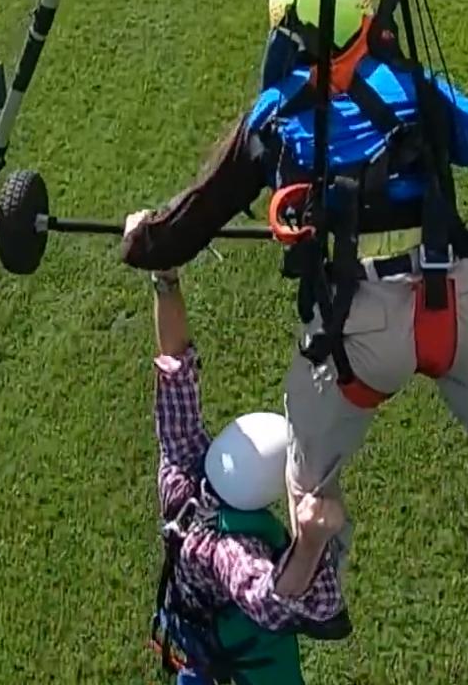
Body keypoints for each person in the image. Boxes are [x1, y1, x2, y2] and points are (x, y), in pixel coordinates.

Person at [121, 0, 468, 644]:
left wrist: (143, 242)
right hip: (456, 303)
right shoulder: (414, 86)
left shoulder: (275, 117)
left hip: (357, 329)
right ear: (359, 13)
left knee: (308, 469)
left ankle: (320, 594)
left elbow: (194, 216)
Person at [133, 212, 352, 685]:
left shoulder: (182, 473)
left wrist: (164, 273)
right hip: (235, 663)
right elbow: (271, 599)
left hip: (192, 646)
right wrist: (311, 540)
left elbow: (174, 364)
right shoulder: (230, 550)